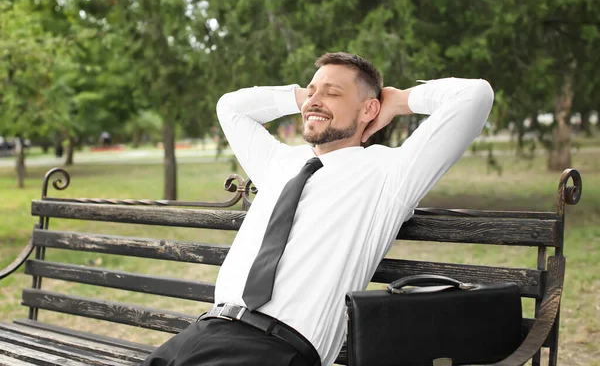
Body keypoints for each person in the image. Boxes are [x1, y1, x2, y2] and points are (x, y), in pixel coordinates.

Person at [141, 52, 494, 366]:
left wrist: (396, 101)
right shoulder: (277, 162)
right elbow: (230, 106)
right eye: (312, 91)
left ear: (369, 109)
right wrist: (305, 96)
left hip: (273, 348)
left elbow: (474, 96)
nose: (315, 100)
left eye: (333, 93)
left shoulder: (390, 174)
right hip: (202, 330)